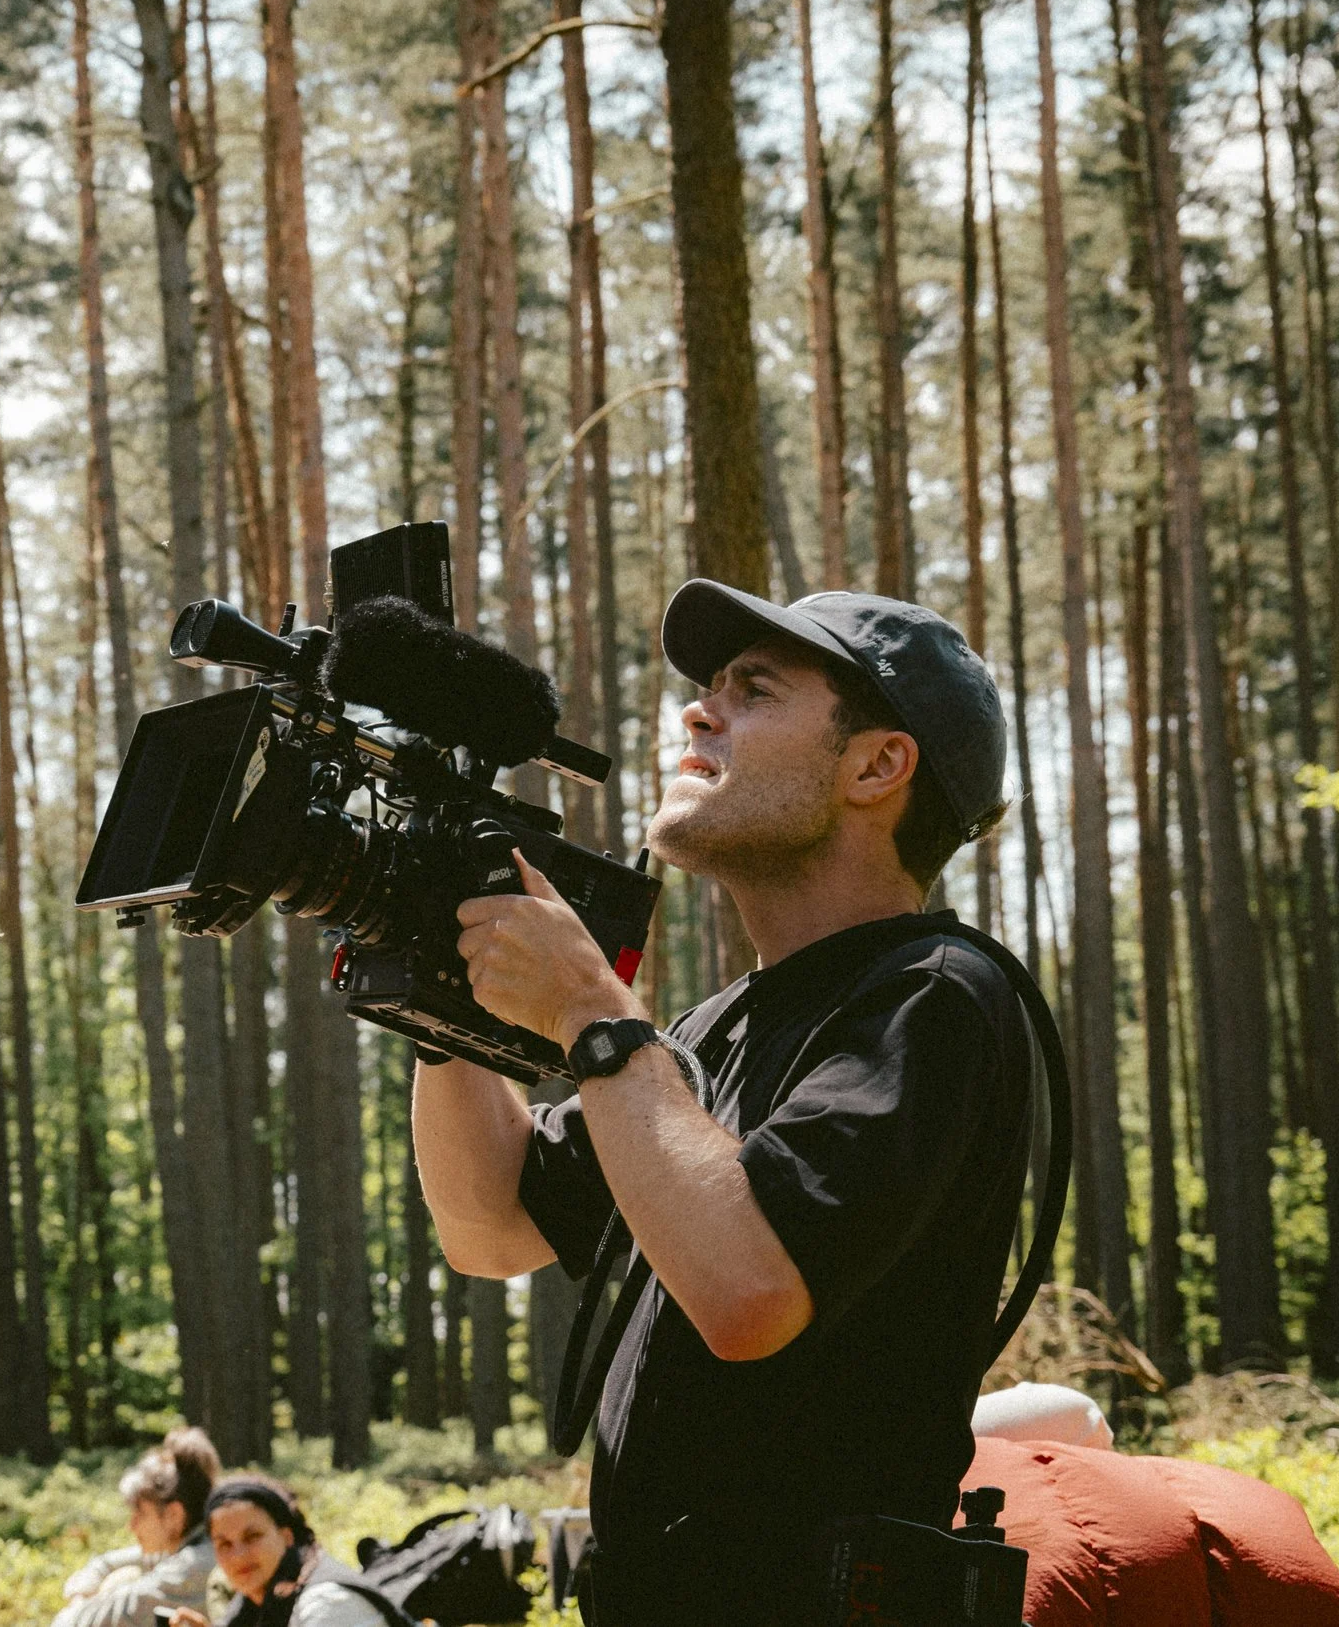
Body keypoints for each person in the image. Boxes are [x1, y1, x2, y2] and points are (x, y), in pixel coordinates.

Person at [414, 582, 1035, 1626]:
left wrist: (590, 1011)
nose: (698, 712)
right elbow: (493, 1222)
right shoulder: (705, 1034)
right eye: (709, 688)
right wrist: (442, 998)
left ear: (876, 766)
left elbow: (750, 1293)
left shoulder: (933, 995)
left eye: (754, 690)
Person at [52, 1428, 221, 1627]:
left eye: (140, 1513)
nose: (131, 1526)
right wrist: (82, 1592)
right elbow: (106, 1563)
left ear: (174, 1515)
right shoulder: (201, 1546)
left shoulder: (192, 1569)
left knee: (122, 1580)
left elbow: (73, 1623)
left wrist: (78, 1604)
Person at [166, 1477, 388, 1627]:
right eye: (224, 1544)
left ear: (286, 1536)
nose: (238, 1555)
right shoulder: (252, 1603)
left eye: (252, 1537)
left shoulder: (326, 1603)